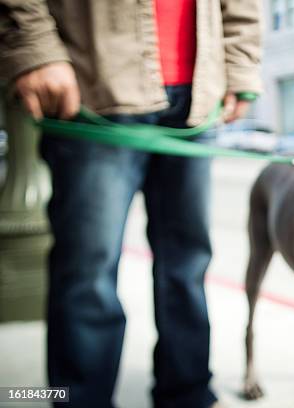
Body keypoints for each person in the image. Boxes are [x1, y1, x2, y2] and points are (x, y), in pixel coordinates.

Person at [0, 1, 262, 407]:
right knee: (87, 270)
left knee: (187, 265)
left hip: (196, 98)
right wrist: (33, 48)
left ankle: (189, 395)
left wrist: (240, 66)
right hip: (93, 87)